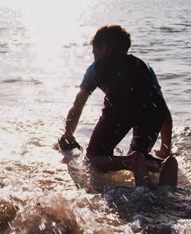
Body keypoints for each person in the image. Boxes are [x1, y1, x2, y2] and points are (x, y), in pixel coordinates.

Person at [58, 24, 178, 188]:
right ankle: (162, 165)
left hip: (121, 107)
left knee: (93, 159)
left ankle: (129, 161)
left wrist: (68, 136)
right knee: (140, 155)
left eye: (95, 52)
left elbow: (78, 104)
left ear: (105, 47)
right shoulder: (144, 66)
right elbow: (162, 107)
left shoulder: (97, 67)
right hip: (154, 110)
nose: (94, 57)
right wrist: (165, 148)